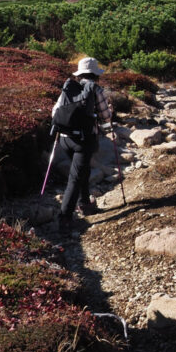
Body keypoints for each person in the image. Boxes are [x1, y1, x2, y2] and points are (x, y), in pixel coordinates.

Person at [56, 57, 113, 233]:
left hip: (64, 139)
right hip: (83, 140)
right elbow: (106, 117)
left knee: (83, 171)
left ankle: (86, 204)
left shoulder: (69, 87)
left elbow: (56, 111)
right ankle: (65, 219)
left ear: (80, 74)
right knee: (75, 177)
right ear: (95, 74)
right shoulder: (96, 89)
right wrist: (109, 111)